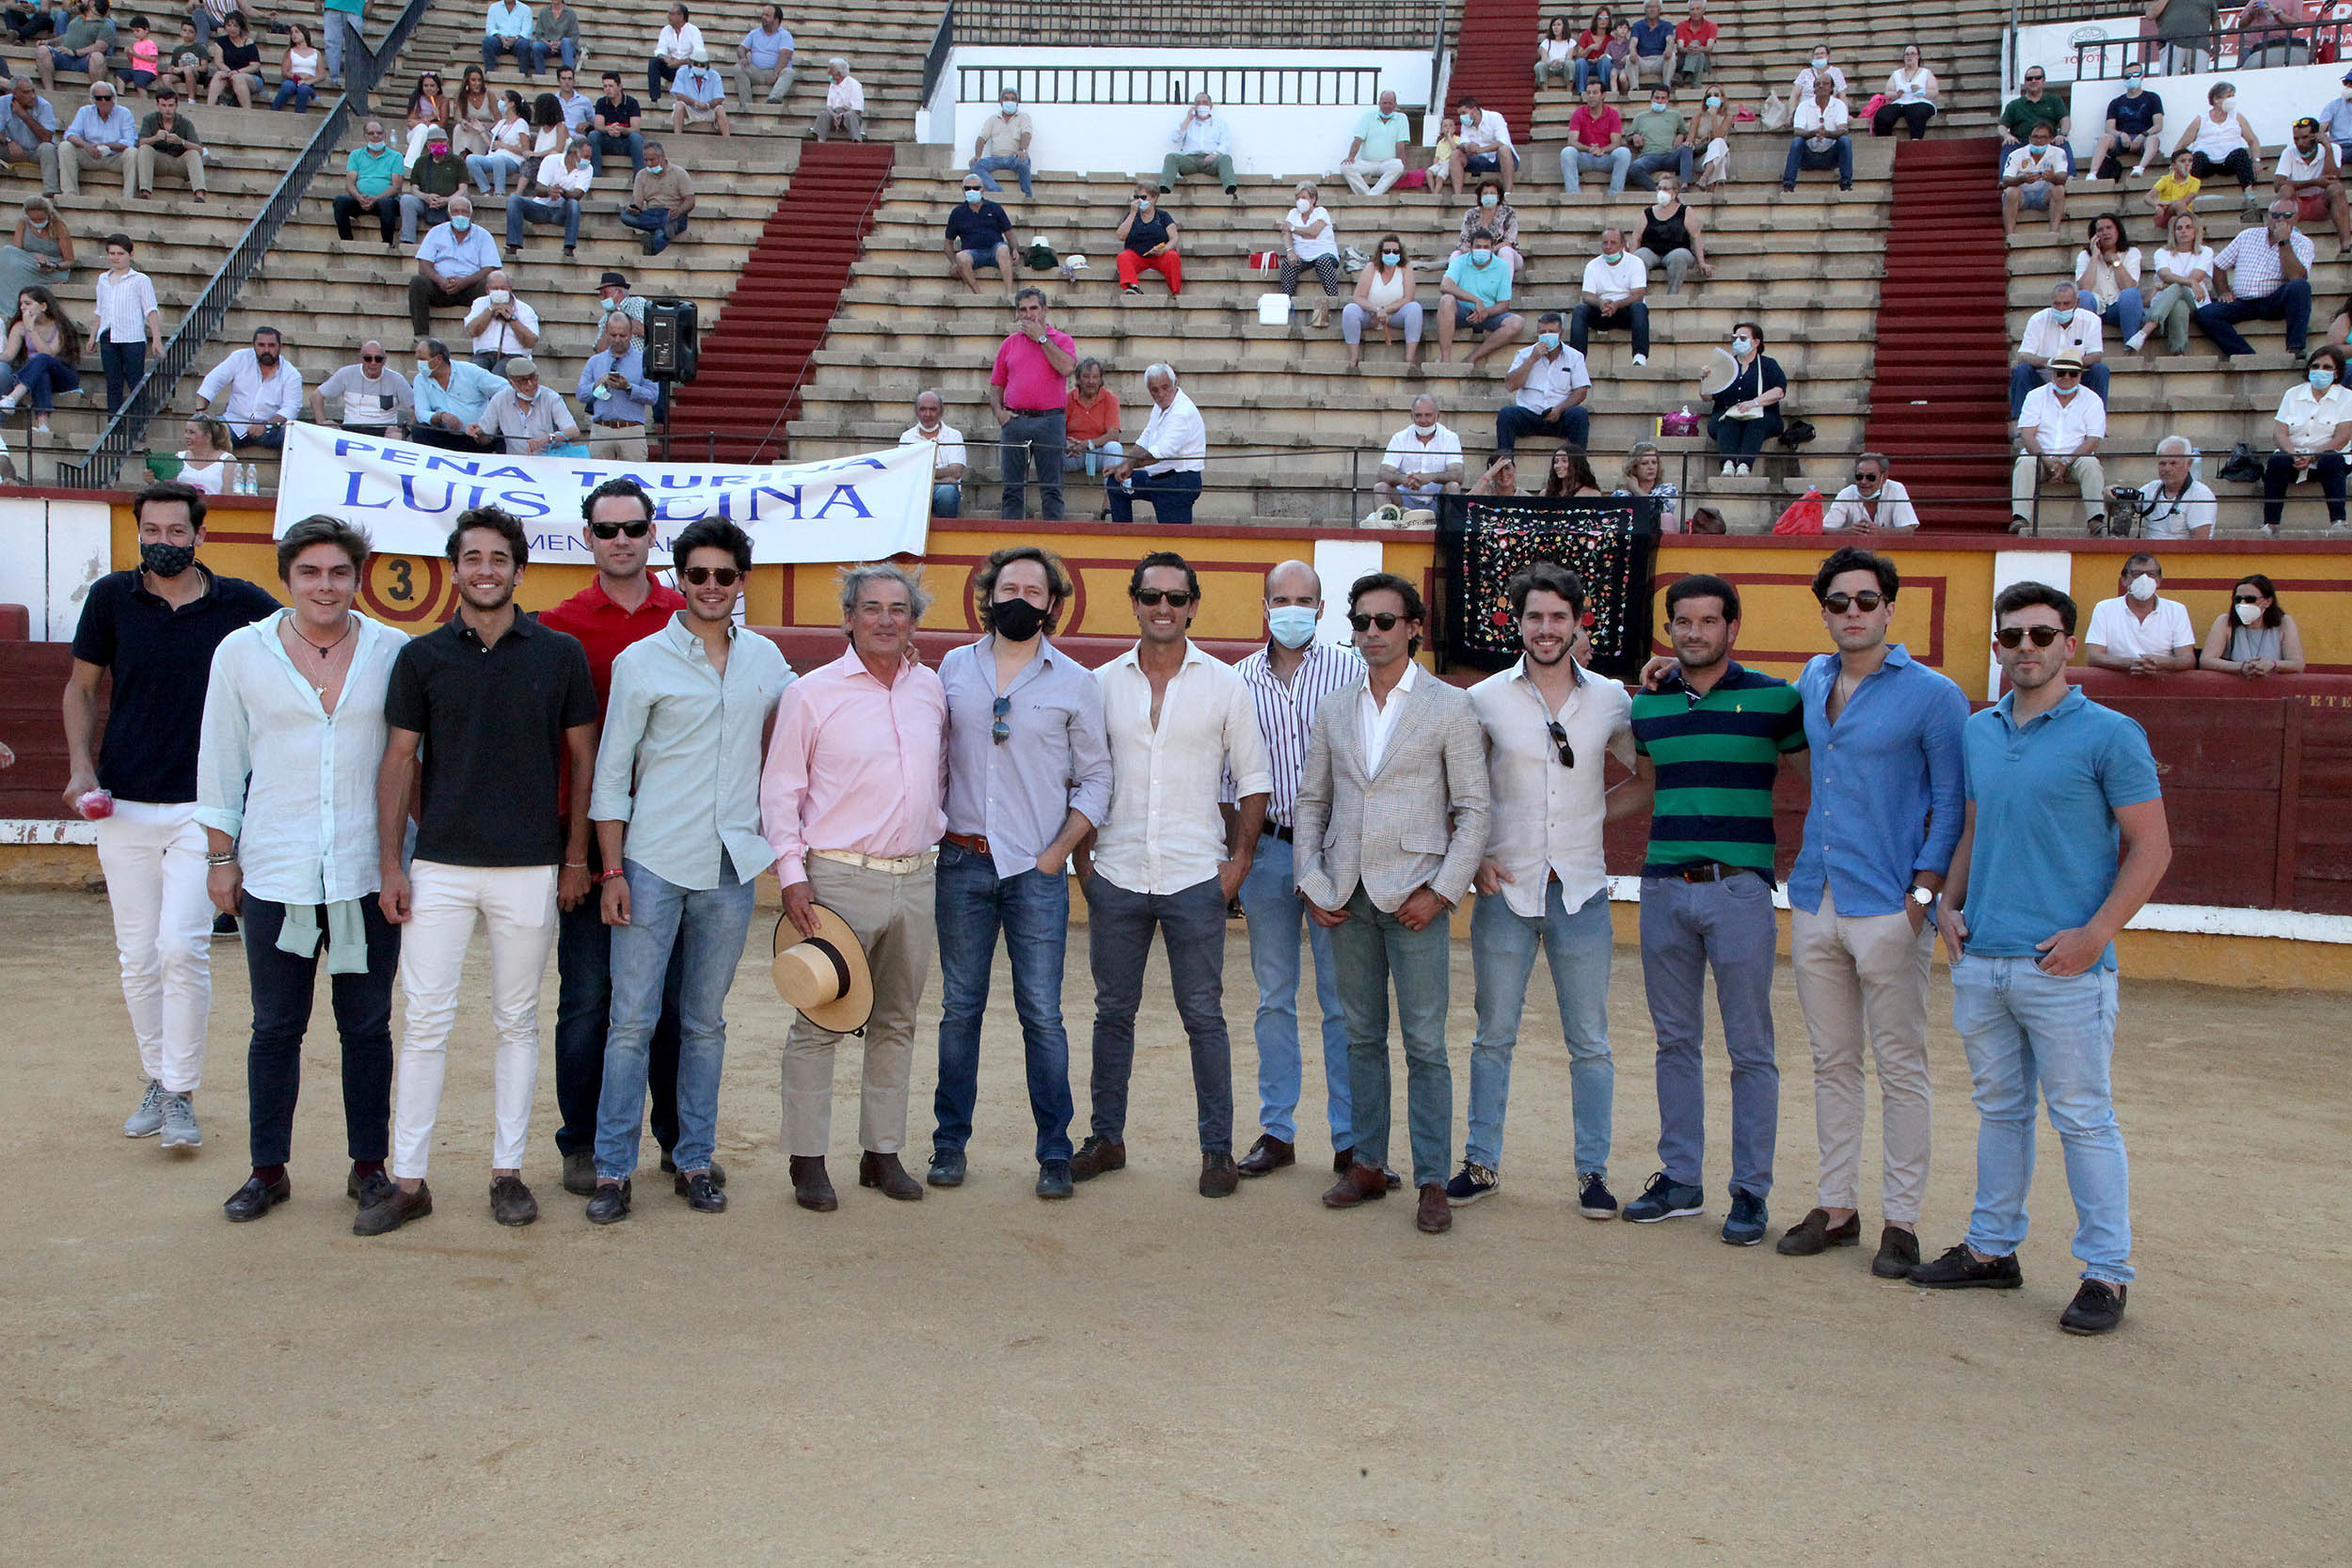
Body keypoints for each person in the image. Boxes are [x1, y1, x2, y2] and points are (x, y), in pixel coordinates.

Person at [1915, 581, 2169, 1338]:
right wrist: (1948, 909)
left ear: (2068, 643)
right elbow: (1971, 829)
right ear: (1997, 646)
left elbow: (2152, 847)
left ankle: (2106, 1272)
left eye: (2041, 634)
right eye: (2012, 636)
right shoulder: (1979, 730)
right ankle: (1993, 1249)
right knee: (1999, 1112)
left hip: (2066, 964)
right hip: (1984, 955)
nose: (2026, 648)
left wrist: (2095, 935)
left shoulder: (2111, 733)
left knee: (2084, 1118)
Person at [359, 506, 597, 1236]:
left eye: (499, 558)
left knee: (517, 1021)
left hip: (530, 864)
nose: (486, 570)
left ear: (519, 570)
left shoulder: (558, 653)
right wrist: (390, 865)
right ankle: (408, 1178)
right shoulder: (422, 657)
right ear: (454, 568)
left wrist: (577, 856)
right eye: (473, 558)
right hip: (439, 863)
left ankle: (507, 1171)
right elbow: (398, 760)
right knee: (425, 1019)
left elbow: (584, 759)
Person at [581, 517, 789, 1226]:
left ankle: (695, 1159)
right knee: (631, 1022)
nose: (709, 587)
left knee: (704, 1023)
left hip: (731, 866)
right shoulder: (642, 661)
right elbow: (610, 778)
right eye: (696, 574)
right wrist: (611, 871)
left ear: (741, 582)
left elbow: (819, 714)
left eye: (723, 575)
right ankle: (613, 1169)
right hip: (651, 861)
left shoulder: (767, 660)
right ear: (679, 579)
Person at [196, 516, 404, 1224]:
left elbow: (412, 761)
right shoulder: (242, 652)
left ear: (357, 577)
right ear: (287, 578)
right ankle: (267, 1168)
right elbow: (221, 762)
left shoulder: (390, 649)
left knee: (368, 1027)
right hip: (277, 871)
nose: (325, 585)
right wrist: (221, 859)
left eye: (338, 572)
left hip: (362, 872)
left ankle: (369, 1166)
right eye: (310, 572)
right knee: (275, 1027)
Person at [63, 481, 277, 1158]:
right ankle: (157, 1078)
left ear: (199, 535)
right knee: (137, 955)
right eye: (151, 530)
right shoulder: (110, 598)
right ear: (139, 534)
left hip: (204, 805)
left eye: (176, 531)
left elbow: (300, 645)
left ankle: (180, 1090)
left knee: (181, 947)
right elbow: (81, 687)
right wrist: (79, 766)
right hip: (121, 801)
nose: (163, 541)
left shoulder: (240, 603)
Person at [1773, 547, 1968, 1277]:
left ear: (1890, 608)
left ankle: (1902, 1220)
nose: (1852, 612)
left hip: (1889, 904)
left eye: (1865, 600)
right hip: (1818, 895)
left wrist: (1922, 899)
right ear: (1823, 612)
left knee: (1901, 1065)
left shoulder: (1935, 694)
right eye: (1839, 602)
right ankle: (1836, 1206)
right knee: (1832, 1061)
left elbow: (1951, 802)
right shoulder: (1814, 677)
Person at [1074, 552, 1270, 1197]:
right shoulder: (1099, 684)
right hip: (1119, 871)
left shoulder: (1225, 684)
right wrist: (1085, 864)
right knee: (1112, 1012)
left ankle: (1218, 1150)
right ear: (1134, 602)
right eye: (1151, 596)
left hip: (1194, 874)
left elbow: (1255, 781)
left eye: (1174, 598)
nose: (1162, 608)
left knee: (1203, 1016)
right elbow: (1075, 778)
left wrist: (1237, 863)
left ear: (1192, 605)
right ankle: (1107, 1137)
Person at [1298, 572, 1487, 1235]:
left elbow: (1473, 810)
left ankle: (1433, 1178)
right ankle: (1370, 1163)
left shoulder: (1449, 706)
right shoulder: (1334, 706)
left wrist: (1440, 892)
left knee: (1426, 1044)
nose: (1372, 633)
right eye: (1362, 622)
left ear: (1414, 627)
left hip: (1414, 897)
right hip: (1348, 894)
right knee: (1359, 1036)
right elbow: (1313, 801)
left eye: (1385, 621)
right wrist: (1313, 883)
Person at [1619, 574, 1805, 1244]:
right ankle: (1681, 1178)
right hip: (1664, 885)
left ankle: (1750, 1190)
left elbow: (1816, 782)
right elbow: (1643, 787)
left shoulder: (1777, 700)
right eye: (1683, 622)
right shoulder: (1649, 706)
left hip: (1739, 890)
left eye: (1707, 621)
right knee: (1675, 1040)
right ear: (1669, 630)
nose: (1694, 632)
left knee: (1750, 1046)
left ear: (1733, 629)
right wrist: (1562, 823)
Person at [760, 562, 946, 1213]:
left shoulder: (931, 689)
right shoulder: (811, 694)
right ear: (847, 617)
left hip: (917, 876)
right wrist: (791, 874)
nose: (887, 619)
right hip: (837, 876)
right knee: (819, 1021)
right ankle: (807, 1159)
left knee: (897, 1019)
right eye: (872, 607)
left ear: (914, 620)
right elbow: (781, 790)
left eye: (899, 608)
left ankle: (881, 1151)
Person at [928, 546, 1111, 1200]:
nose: (1021, 599)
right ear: (986, 594)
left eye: (1035, 590)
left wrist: (1058, 850)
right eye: (1010, 587)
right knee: (959, 1010)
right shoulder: (951, 668)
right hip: (962, 861)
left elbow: (1096, 778)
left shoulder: (1074, 681)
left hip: (1037, 870)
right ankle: (949, 1144)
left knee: (1042, 1014)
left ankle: (1054, 1152)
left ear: (1053, 604)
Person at [1457, 562, 1634, 1214]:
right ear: (1518, 622)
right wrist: (1473, 855)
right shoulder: (1485, 698)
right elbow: (1459, 788)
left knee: (1590, 1039)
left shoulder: (1611, 698)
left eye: (1559, 616)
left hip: (1580, 889)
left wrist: (1587, 818)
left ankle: (1593, 1171)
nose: (1547, 627)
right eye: (1535, 615)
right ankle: (1480, 1162)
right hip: (1506, 888)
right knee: (1492, 1033)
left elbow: (1642, 774)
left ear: (1577, 621)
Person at [535, 479, 690, 1198]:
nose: (621, 539)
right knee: (591, 999)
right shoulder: (561, 626)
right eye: (607, 529)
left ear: (652, 533)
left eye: (633, 528)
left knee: (673, 1002)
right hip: (591, 847)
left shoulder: (693, 616)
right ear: (587, 537)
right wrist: (578, 854)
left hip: (674, 842)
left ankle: (674, 1140)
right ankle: (582, 1141)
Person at [1230, 561, 1372, 1184]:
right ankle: (1278, 1130)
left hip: (1336, 852)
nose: (1292, 608)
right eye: (1281, 598)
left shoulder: (1354, 670)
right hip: (1264, 851)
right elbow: (1225, 775)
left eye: (1304, 598)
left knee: (1342, 1002)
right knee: (1272, 997)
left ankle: (1349, 1137)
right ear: (1263, 607)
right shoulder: (1236, 680)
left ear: (1322, 607)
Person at [990, 285, 1074, 519]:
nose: (1028, 314)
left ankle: (1053, 546)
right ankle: (1011, 548)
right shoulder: (1009, 344)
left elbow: (1067, 367)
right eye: (1023, 310)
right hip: (1015, 421)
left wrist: (1042, 339)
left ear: (1045, 310)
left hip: (1050, 421)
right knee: (1012, 490)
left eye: (1033, 308)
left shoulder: (1062, 340)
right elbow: (996, 386)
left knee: (1052, 490)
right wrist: (999, 413)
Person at [2197, 200, 2315, 358]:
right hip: (2243, 301)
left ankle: (2296, 347)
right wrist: (2223, 291)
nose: (2280, 220)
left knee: (2300, 287)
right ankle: (2245, 355)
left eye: (2287, 215)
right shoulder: (2247, 235)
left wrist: (2284, 242)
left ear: (2296, 219)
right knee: (2206, 314)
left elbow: (2295, 276)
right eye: (2275, 215)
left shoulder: (2303, 243)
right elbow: (2218, 265)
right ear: (2268, 217)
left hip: (2274, 301)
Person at [2010, 350, 2107, 534]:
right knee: (2024, 462)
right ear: (2053, 374)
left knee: (2091, 464)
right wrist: (2048, 461)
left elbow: (2094, 440)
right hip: (2040, 457)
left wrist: (2066, 462)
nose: (2066, 377)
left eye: (2073, 373)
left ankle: (2096, 519)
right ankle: (2020, 518)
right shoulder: (2035, 396)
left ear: (2080, 375)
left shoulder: (2092, 399)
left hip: (2076, 460)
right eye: (2061, 372)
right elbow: (2028, 435)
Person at [2260, 347, 2352, 533]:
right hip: (2295, 459)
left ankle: (2338, 522)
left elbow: (2343, 437)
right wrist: (2294, 455)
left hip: (2328, 462)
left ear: (2336, 373)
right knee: (2277, 461)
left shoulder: (2347, 397)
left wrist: (2313, 457)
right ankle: (2270, 524)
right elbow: (2279, 433)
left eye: (2327, 367)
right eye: (2315, 366)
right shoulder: (2292, 394)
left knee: (2331, 458)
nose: (2320, 370)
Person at [1105, 361, 1206, 526]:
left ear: (1175, 384)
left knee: (1173, 543)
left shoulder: (1182, 412)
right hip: (1158, 478)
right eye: (1155, 390)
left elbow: (1161, 453)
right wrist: (1122, 465)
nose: (1161, 394)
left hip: (1179, 482)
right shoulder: (1159, 407)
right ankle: (1124, 539)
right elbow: (1145, 439)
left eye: (1165, 387)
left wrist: (1129, 466)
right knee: (1116, 483)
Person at [1495, 310, 1590, 454]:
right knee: (1506, 414)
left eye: (1551, 331)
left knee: (1580, 414)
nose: (1547, 335)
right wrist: (1532, 359)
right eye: (1543, 332)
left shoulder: (1574, 357)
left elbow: (1581, 391)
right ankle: (1505, 464)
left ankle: (1577, 467)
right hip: (1529, 415)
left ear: (1561, 333)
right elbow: (1511, 385)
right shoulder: (1524, 354)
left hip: (1559, 415)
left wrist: (1560, 409)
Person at [2010, 281, 2109, 419]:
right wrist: (2050, 362)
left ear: (2077, 303)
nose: (2061, 309)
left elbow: (2096, 355)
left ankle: (2097, 423)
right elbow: (2023, 355)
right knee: (2021, 371)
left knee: (2100, 371)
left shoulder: (2091, 320)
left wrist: (2071, 363)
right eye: (2056, 304)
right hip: (2045, 377)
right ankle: (2022, 425)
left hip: (2076, 377)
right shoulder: (2038, 320)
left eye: (2066, 304)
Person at [2084, 552, 2196, 673]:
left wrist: (2161, 663)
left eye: (2151, 574)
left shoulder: (2176, 610)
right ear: (2124, 580)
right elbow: (2093, 657)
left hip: (2161, 684)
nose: (2144, 579)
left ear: (2158, 581)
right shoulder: (2104, 608)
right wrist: (2131, 663)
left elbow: (2187, 659)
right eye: (2137, 574)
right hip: (2116, 685)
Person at [191, 325, 298, 450]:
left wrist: (266, 425)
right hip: (234, 423)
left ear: (280, 347)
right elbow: (213, 381)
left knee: (294, 437)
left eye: (272, 345)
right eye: (261, 345)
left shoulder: (291, 373)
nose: (267, 350)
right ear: (254, 346)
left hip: (271, 429)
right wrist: (201, 412)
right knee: (207, 434)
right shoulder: (240, 358)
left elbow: (291, 408)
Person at [406, 194, 497, 339]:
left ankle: (487, 336)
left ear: (471, 214)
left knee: (491, 283)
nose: (460, 215)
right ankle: (421, 335)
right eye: (455, 211)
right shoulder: (435, 233)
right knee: (418, 282)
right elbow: (424, 265)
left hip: (470, 288)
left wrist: (464, 282)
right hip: (440, 287)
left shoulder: (484, 236)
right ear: (449, 214)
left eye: (464, 212)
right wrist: (440, 280)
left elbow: (489, 268)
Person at [90, 232, 160, 414]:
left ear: (130, 254)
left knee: (135, 382)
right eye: (112, 253)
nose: (115, 257)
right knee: (113, 383)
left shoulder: (140, 280)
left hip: (132, 337)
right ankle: (115, 427)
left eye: (120, 253)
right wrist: (93, 335)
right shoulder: (103, 279)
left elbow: (150, 310)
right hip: (108, 335)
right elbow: (100, 309)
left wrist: (157, 339)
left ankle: (138, 424)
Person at [1438, 228, 1523, 366]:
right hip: (1462, 312)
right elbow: (1445, 285)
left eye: (1486, 247)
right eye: (1478, 246)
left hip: (1489, 314)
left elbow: (1504, 304)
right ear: (1471, 248)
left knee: (1517, 322)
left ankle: (1470, 359)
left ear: (1492, 248)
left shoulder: (1501, 266)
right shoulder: (1460, 261)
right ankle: (1445, 360)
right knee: (1446, 300)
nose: (1482, 250)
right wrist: (1475, 300)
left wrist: (1484, 311)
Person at [575, 311, 655, 460]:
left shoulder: (644, 361)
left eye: (622, 335)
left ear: (631, 334)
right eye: (613, 335)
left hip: (631, 430)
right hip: (601, 429)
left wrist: (628, 387)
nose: (617, 340)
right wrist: (597, 385)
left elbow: (653, 396)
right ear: (606, 332)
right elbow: (580, 394)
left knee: (634, 479)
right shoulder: (594, 361)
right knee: (600, 480)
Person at [1708, 321, 1784, 473]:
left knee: (1756, 423)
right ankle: (1728, 463)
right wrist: (1706, 380)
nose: (1737, 342)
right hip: (1729, 413)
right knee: (1727, 421)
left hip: (1761, 414)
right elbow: (1707, 396)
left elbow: (1779, 391)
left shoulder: (1768, 365)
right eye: (1734, 338)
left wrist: (1754, 403)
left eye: (1742, 338)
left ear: (1756, 342)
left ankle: (1744, 464)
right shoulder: (1726, 365)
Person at [406, 333, 503, 451]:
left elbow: (504, 388)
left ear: (438, 359)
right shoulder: (420, 380)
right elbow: (421, 413)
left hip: (476, 437)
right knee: (419, 430)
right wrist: (441, 416)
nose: (418, 363)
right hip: (445, 436)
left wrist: (490, 418)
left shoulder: (469, 371)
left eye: (422, 359)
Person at [469, 355, 580, 454]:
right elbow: (485, 439)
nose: (530, 384)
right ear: (512, 383)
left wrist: (546, 440)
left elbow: (573, 431)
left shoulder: (551, 398)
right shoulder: (499, 400)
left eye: (532, 378)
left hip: (550, 460)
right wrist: (478, 433)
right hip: (517, 463)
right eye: (523, 381)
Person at [1568, 226, 1648, 364]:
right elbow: (1587, 295)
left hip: (1626, 311)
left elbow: (1638, 294)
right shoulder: (1593, 265)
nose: (1608, 247)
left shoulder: (1635, 263)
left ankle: (1639, 356)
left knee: (1639, 307)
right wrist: (1600, 303)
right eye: (1605, 243)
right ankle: (1577, 360)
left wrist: (1617, 304)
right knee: (1580, 310)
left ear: (1623, 245)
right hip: (1602, 311)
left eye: (1613, 243)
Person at [1343, 233, 1421, 371]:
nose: (1391, 254)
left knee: (1415, 308)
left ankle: (1410, 359)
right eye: (1387, 251)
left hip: (1395, 314)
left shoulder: (1405, 267)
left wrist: (1386, 309)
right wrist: (1377, 310)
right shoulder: (1371, 267)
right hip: (1371, 314)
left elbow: (1408, 298)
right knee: (1350, 310)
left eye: (1395, 251)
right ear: (1381, 253)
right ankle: (1354, 357)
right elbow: (1358, 297)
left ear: (1400, 253)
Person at [2172, 81, 2261, 200]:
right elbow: (2182, 144)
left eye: (2233, 96)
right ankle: (2188, 193)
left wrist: (2257, 160)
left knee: (2241, 153)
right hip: (2206, 163)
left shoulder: (2237, 116)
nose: (2232, 99)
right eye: (2229, 96)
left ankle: (2249, 192)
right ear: (2217, 99)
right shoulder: (2201, 118)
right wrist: (2174, 166)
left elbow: (2252, 140)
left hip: (2229, 162)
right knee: (2197, 157)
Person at [2202, 573, 2305, 674]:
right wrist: (2241, 667)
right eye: (2238, 599)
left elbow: (2298, 664)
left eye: (2250, 599)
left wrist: (2273, 664)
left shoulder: (2284, 622)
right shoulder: (2225, 622)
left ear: (2268, 602)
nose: (2242, 604)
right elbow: (2206, 661)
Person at [2273, 116, 2349, 251]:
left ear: (2315, 136)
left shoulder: (2333, 148)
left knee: (2336, 188)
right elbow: (2278, 185)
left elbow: (2332, 179)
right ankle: (2281, 244)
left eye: (2305, 137)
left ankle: (2346, 244)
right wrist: (2314, 182)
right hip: (2296, 205)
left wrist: (2327, 147)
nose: (2300, 143)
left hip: (2321, 204)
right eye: (2296, 139)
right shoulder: (2289, 152)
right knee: (2286, 190)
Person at [1376, 394, 1464, 510]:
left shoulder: (1450, 438)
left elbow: (1458, 475)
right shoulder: (1400, 438)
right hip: (1405, 500)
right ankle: (1386, 527)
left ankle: (1449, 527)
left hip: (1438, 500)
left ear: (1438, 416)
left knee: (1453, 486)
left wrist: (1430, 477)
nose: (1423, 420)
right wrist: (1403, 479)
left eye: (1428, 415)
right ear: (1411, 416)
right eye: (1418, 415)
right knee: (1381, 488)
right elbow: (1382, 474)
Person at [507, 134, 589, 258]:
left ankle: (569, 248)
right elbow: (538, 189)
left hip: (561, 212)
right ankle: (514, 245)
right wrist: (549, 191)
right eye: (586, 156)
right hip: (540, 208)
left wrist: (561, 192)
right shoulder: (551, 160)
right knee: (514, 200)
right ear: (573, 153)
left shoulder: (588, 168)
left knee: (573, 203)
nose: (588, 161)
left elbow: (577, 195)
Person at [1276, 180, 1341, 331]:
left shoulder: (1321, 212)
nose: (1300, 201)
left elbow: (1313, 232)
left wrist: (1292, 227)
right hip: (1302, 254)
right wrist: (1290, 250)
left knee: (1323, 263)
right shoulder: (1293, 213)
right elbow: (1285, 233)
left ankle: (1334, 300)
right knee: (1288, 264)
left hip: (1323, 251)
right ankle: (1286, 304)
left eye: (1304, 198)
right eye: (1298, 198)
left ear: (1313, 199)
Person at [2075, 214, 2144, 356]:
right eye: (2100, 230)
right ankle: (2086, 351)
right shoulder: (2084, 256)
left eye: (2109, 228)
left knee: (2131, 294)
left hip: (2119, 307)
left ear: (2118, 231)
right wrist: (2095, 256)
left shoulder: (2132, 253)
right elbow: (2085, 288)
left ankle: (2130, 346)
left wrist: (2114, 260)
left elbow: (2128, 286)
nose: (2105, 232)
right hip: (2094, 306)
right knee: (2083, 296)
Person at [306, 339, 411, 431]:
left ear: (384, 361)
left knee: (396, 435)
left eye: (378, 359)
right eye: (368, 358)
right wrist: (322, 422)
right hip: (351, 430)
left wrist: (408, 430)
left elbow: (418, 406)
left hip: (384, 431)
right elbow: (316, 396)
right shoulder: (346, 374)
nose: (373, 363)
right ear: (361, 359)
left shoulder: (397, 380)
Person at [2128, 435, 2216, 540]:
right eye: (2162, 463)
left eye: (2173, 463)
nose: (2167, 469)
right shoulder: (2151, 489)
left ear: (2189, 464)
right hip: (2149, 553)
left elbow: (2200, 543)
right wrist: (2110, 494)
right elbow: (2121, 506)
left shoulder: (2201, 494)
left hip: (2182, 555)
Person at [946, 171, 1015, 304]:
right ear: (963, 191)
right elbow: (948, 242)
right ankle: (978, 295)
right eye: (968, 188)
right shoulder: (957, 213)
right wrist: (954, 262)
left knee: (1003, 249)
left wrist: (1015, 249)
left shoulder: (995, 208)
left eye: (976, 188)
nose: (972, 191)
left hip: (994, 249)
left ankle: (1009, 293)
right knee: (961, 257)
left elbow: (1009, 232)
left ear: (982, 189)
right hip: (973, 253)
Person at [1634, 171, 1710, 293]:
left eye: (1665, 189)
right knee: (1639, 257)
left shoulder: (1685, 211)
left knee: (1678, 257)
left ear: (1675, 193)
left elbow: (1695, 237)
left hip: (1677, 251)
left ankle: (1672, 296)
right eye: (1659, 188)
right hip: (1652, 252)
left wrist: (1702, 262)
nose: (1661, 192)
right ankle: (1640, 295)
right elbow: (1636, 237)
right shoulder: (1647, 213)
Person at [333, 116, 404, 245]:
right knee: (339, 202)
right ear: (365, 136)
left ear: (384, 135)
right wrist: (360, 198)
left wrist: (375, 198)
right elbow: (349, 183)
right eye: (371, 133)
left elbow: (396, 187)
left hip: (385, 202)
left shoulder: (396, 156)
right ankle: (347, 241)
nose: (375, 136)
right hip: (361, 200)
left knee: (386, 203)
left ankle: (387, 243)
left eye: (379, 133)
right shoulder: (355, 155)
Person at [2086, 63, 2161, 182]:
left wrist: (2143, 135)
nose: (2132, 78)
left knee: (2154, 138)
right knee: (2104, 138)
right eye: (2128, 76)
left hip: (2143, 139)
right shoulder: (2116, 103)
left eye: (2136, 74)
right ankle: (2092, 174)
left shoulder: (2152, 98)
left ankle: (2140, 168)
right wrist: (2121, 135)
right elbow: (2109, 128)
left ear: (2142, 76)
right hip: (2121, 140)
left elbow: (2158, 125)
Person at [59, 77, 135, 195]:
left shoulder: (124, 113)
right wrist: (86, 146)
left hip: (114, 157)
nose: (103, 101)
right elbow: (70, 134)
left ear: (113, 98)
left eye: (107, 98)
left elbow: (130, 142)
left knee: (132, 153)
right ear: (93, 100)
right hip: (90, 156)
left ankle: (128, 197)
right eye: (99, 98)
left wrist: (105, 145)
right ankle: (70, 194)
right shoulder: (84, 111)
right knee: (65, 146)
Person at [899, 388, 966, 517]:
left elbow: (956, 471)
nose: (928, 414)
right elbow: (906, 473)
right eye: (923, 409)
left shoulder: (954, 435)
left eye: (933, 409)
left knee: (947, 493)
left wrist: (922, 473)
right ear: (916, 411)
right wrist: (943, 477)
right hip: (916, 491)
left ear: (941, 411)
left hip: (943, 492)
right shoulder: (907, 437)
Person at [619, 139, 693, 254]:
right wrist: (635, 209)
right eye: (646, 160)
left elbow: (690, 201)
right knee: (625, 215)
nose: (648, 163)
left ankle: (651, 246)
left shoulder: (679, 173)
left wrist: (679, 210)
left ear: (662, 157)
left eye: (652, 160)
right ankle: (660, 229)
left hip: (672, 214)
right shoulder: (641, 175)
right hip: (652, 213)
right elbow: (637, 201)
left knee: (665, 228)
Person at [1784, 71, 1853, 193]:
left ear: (1832, 88)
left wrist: (1827, 134)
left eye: (1825, 84)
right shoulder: (1803, 106)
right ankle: (1788, 184)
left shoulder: (1839, 105)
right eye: (1817, 84)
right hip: (1807, 156)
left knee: (1845, 141)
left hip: (1831, 156)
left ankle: (1846, 183)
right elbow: (1797, 131)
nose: (1821, 86)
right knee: (1797, 142)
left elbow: (1843, 130)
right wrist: (1814, 133)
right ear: (1814, 89)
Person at [131, 83, 202, 198]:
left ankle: (200, 194)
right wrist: (155, 138)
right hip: (158, 162)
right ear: (158, 105)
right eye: (163, 105)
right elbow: (140, 143)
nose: (167, 109)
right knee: (144, 149)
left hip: (179, 163)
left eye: (170, 105)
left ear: (176, 106)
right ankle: (145, 192)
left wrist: (181, 142)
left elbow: (200, 150)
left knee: (193, 153)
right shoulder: (149, 119)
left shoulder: (186, 123)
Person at [1999, 120, 2069, 239]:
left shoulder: (2058, 153)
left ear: (2051, 139)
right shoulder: (2016, 154)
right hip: (2022, 195)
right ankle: (2010, 234)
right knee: (2011, 191)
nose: (2038, 140)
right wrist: (2021, 179)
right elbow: (2005, 180)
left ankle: (2053, 233)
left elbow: (2062, 177)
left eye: (2043, 137)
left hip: (2044, 194)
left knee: (2059, 189)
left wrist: (2052, 177)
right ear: (2030, 137)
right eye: (2035, 137)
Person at [398, 129, 469, 245]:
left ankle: (460, 240)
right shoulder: (421, 162)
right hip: (426, 202)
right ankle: (407, 239)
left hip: (450, 201)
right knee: (407, 200)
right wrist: (426, 197)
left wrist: (447, 200)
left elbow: (463, 189)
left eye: (442, 141)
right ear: (428, 144)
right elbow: (414, 188)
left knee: (463, 202)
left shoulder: (458, 161)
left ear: (447, 143)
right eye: (434, 142)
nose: (439, 144)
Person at [1561, 78, 1629, 195]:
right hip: (1585, 157)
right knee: (1567, 152)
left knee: (1624, 153)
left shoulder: (1613, 114)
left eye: (1595, 93)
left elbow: (1616, 143)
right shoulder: (1578, 113)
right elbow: (1572, 141)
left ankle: (1615, 194)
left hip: (1605, 157)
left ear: (1603, 95)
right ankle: (1573, 195)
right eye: (1588, 93)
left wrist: (1601, 150)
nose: (1591, 96)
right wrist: (1589, 149)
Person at [462, 268, 538, 370]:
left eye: (503, 288)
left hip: (514, 356)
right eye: (495, 288)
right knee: (474, 372)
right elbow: (472, 331)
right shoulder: (479, 304)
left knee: (498, 374)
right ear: (487, 290)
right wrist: (490, 310)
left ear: (510, 289)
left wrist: (511, 318)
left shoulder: (525, 309)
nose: (499, 291)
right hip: (483, 355)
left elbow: (531, 342)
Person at [1823, 451, 1920, 532]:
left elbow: (1908, 530)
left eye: (1871, 477)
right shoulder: (1846, 493)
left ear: (1884, 477)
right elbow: (1825, 529)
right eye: (1859, 476)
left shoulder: (1896, 489)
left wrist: (1881, 532)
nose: (1863, 482)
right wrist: (1847, 532)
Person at [1114, 181, 1181, 296]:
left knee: (1173, 256)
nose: (1140, 200)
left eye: (1143, 197)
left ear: (1154, 198)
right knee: (1123, 257)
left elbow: (1174, 238)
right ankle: (1133, 287)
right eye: (1137, 197)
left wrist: (1164, 249)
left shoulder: (1163, 216)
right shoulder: (1132, 216)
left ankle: (1175, 292)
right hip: (1137, 255)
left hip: (1159, 255)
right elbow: (1120, 236)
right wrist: (1132, 214)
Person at [1998, 64, 2070, 173]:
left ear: (2043, 80)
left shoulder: (2054, 100)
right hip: (2022, 142)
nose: (2033, 81)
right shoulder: (2014, 105)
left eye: (2037, 77)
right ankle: (2005, 181)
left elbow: (2065, 120)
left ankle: (2070, 176)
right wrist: (2007, 136)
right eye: (2029, 79)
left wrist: (2063, 134)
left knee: (2062, 142)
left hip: (2048, 141)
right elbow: (2001, 126)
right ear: (2025, 82)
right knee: (2008, 145)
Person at [1161, 90, 1234, 196]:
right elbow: (1175, 138)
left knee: (1226, 158)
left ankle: (1230, 190)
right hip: (1190, 160)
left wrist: (1214, 154)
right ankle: (1164, 189)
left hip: (1211, 159)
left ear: (1211, 105)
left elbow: (1226, 142)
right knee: (1171, 157)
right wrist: (1188, 119)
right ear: (1195, 106)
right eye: (1198, 103)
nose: (1201, 105)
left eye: (1205, 102)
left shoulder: (1220, 123)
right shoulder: (1189, 122)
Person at [35, 0, 112, 95]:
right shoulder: (78, 19)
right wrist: (48, 42)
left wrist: (75, 52)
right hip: (64, 57)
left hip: (84, 61)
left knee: (98, 57)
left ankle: (98, 95)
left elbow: (101, 47)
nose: (81, 2)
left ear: (92, 4)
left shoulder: (105, 25)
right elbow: (67, 36)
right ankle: (49, 92)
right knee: (42, 50)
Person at [1064, 355, 1121, 479]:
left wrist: (1086, 444)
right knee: (1050, 448)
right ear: (1078, 380)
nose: (1091, 381)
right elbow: (1057, 430)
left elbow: (1113, 435)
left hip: (1098, 454)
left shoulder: (1110, 399)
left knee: (1114, 447)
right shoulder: (1067, 399)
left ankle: (1111, 496)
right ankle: (1052, 496)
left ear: (1101, 380)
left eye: (1095, 377)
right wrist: (1068, 446)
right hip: (1072, 454)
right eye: (1086, 377)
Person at [1341, 88, 1407, 196]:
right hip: (1367, 163)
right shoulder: (1368, 117)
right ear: (1379, 104)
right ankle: (1370, 195)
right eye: (1384, 103)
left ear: (1395, 104)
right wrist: (1351, 156)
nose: (1387, 106)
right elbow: (1358, 140)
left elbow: (1400, 145)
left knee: (1399, 165)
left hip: (1387, 163)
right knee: (1345, 167)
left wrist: (1404, 166)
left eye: (1390, 103)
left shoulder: (1402, 118)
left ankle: (1371, 195)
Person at [968, 83, 1030, 198]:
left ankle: (1027, 196)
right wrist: (977, 155)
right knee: (975, 166)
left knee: (1024, 162)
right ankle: (997, 192)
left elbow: (1027, 134)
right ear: (1001, 102)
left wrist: (1022, 150)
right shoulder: (992, 119)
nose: (1009, 101)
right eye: (1006, 99)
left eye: (1013, 99)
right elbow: (982, 138)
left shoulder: (1023, 117)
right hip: (995, 159)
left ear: (1017, 102)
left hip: (1014, 158)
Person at [1625, 82, 1690, 190]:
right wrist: (1634, 137)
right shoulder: (1640, 117)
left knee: (1687, 148)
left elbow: (1687, 132)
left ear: (1667, 100)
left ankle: (1685, 185)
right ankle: (1656, 190)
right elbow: (1628, 137)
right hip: (1649, 157)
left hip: (1670, 155)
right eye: (1657, 98)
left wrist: (1681, 135)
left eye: (1663, 98)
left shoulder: (1675, 115)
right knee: (1633, 168)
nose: (1659, 101)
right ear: (1651, 98)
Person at [1454, 178, 1522, 277]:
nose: (1489, 195)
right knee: (1456, 255)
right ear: (1480, 196)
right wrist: (1475, 253)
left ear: (1498, 197)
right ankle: (1455, 288)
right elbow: (1462, 241)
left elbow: (1509, 241)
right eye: (1485, 193)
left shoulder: (1508, 213)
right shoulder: (1471, 214)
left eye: (1492, 193)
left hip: (1500, 254)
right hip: (1475, 254)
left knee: (1505, 251)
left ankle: (1504, 289)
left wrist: (1489, 251)